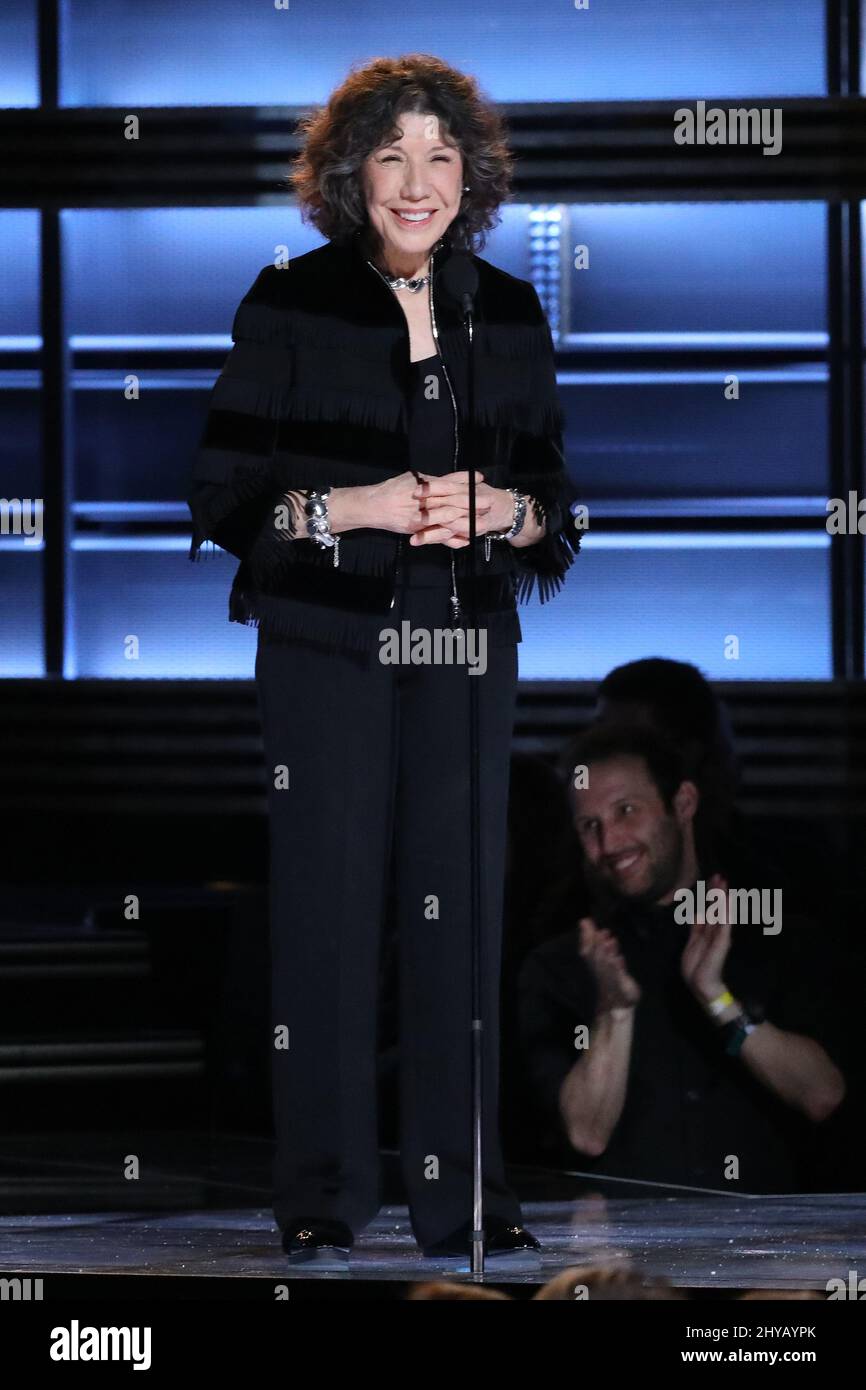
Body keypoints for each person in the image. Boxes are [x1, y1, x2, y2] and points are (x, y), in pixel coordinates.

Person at [186, 54, 580, 1263]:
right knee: (325, 912)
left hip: (463, 637)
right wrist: (349, 504)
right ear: (352, 173)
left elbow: (560, 508)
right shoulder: (290, 302)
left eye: (440, 155)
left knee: (459, 915)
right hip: (324, 644)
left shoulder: (504, 311)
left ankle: (464, 1199)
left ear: (472, 174)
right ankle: (321, 1196)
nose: (418, 181)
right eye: (393, 155)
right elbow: (217, 496)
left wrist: (499, 511)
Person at [517, 722, 846, 1192]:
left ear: (684, 803)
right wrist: (614, 1012)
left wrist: (717, 997)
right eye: (590, 826)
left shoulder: (773, 931)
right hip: (626, 1258)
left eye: (626, 811)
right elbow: (587, 1133)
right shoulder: (561, 965)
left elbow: (822, 1096)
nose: (609, 844)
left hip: (767, 1253)